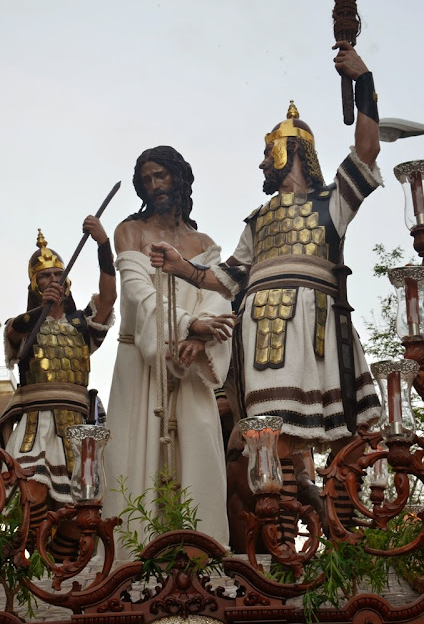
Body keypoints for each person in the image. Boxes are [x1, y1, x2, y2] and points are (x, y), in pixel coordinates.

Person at [150, 42, 383, 548]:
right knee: (268, 441)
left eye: (267, 151)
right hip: (262, 340)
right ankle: (278, 549)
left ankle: (352, 536)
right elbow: (227, 280)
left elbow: (366, 150)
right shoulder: (256, 221)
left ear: (290, 149)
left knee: (347, 441)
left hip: (317, 334)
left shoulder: (332, 202)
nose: (261, 161)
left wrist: (363, 80)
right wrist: (182, 267)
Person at [102, 145, 233, 556]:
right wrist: (185, 324)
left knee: (200, 453)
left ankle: (201, 560)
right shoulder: (131, 231)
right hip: (141, 364)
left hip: (191, 368)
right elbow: (138, 294)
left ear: (179, 177)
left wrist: (198, 338)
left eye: (162, 175)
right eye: (147, 179)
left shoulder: (205, 243)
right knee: (132, 461)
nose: (155, 185)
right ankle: (130, 569)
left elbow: (219, 297)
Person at [1, 217, 116, 560]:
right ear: (34, 284)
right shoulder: (22, 325)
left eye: (57, 274)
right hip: (37, 424)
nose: (53, 279)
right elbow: (14, 337)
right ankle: (26, 566)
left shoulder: (82, 324)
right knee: (30, 496)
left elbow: (109, 298)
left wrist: (103, 246)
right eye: (44, 276)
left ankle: (61, 572)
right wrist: (41, 308)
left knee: (80, 513)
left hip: (78, 426)